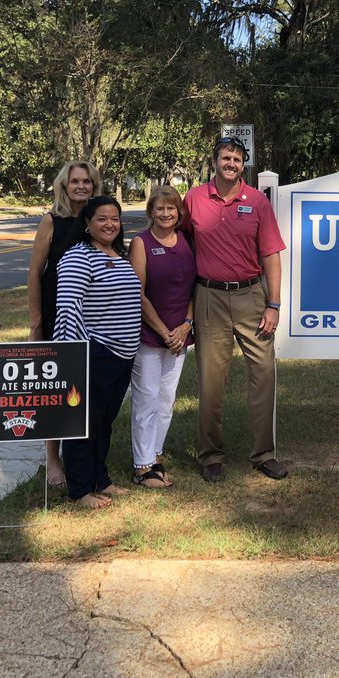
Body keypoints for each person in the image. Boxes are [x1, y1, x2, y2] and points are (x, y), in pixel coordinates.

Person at [182, 136, 287, 482]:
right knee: (212, 380)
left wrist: (273, 304)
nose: (231, 163)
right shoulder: (194, 199)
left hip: (251, 296)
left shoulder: (256, 202)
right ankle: (211, 455)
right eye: (226, 157)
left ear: (244, 165)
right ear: (215, 161)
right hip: (209, 297)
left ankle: (263, 454)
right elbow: (180, 244)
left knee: (263, 374)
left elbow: (271, 254)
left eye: (238, 159)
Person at [53, 196, 142, 509]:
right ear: (87, 224)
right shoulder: (79, 257)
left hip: (121, 355)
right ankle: (79, 490)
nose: (110, 224)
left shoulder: (117, 254)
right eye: (102, 219)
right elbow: (67, 307)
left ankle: (100, 479)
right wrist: (77, 352)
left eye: (115, 219)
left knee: (104, 421)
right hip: (95, 351)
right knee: (84, 422)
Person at [27, 160, 101, 488]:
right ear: (64, 185)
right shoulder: (51, 221)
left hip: (91, 314)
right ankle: (52, 458)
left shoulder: (97, 220)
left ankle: (84, 451)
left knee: (84, 387)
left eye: (87, 181)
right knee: (54, 388)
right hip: (57, 312)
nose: (81, 186)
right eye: (76, 181)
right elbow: (34, 273)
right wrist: (36, 323)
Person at [127, 186, 196, 489]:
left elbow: (196, 286)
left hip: (181, 334)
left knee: (167, 400)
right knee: (146, 398)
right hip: (150, 335)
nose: (166, 214)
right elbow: (137, 293)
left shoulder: (187, 241)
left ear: (179, 212)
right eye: (159, 209)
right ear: (150, 212)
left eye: (171, 208)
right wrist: (162, 330)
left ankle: (155, 455)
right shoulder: (141, 243)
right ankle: (141, 467)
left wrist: (186, 325)